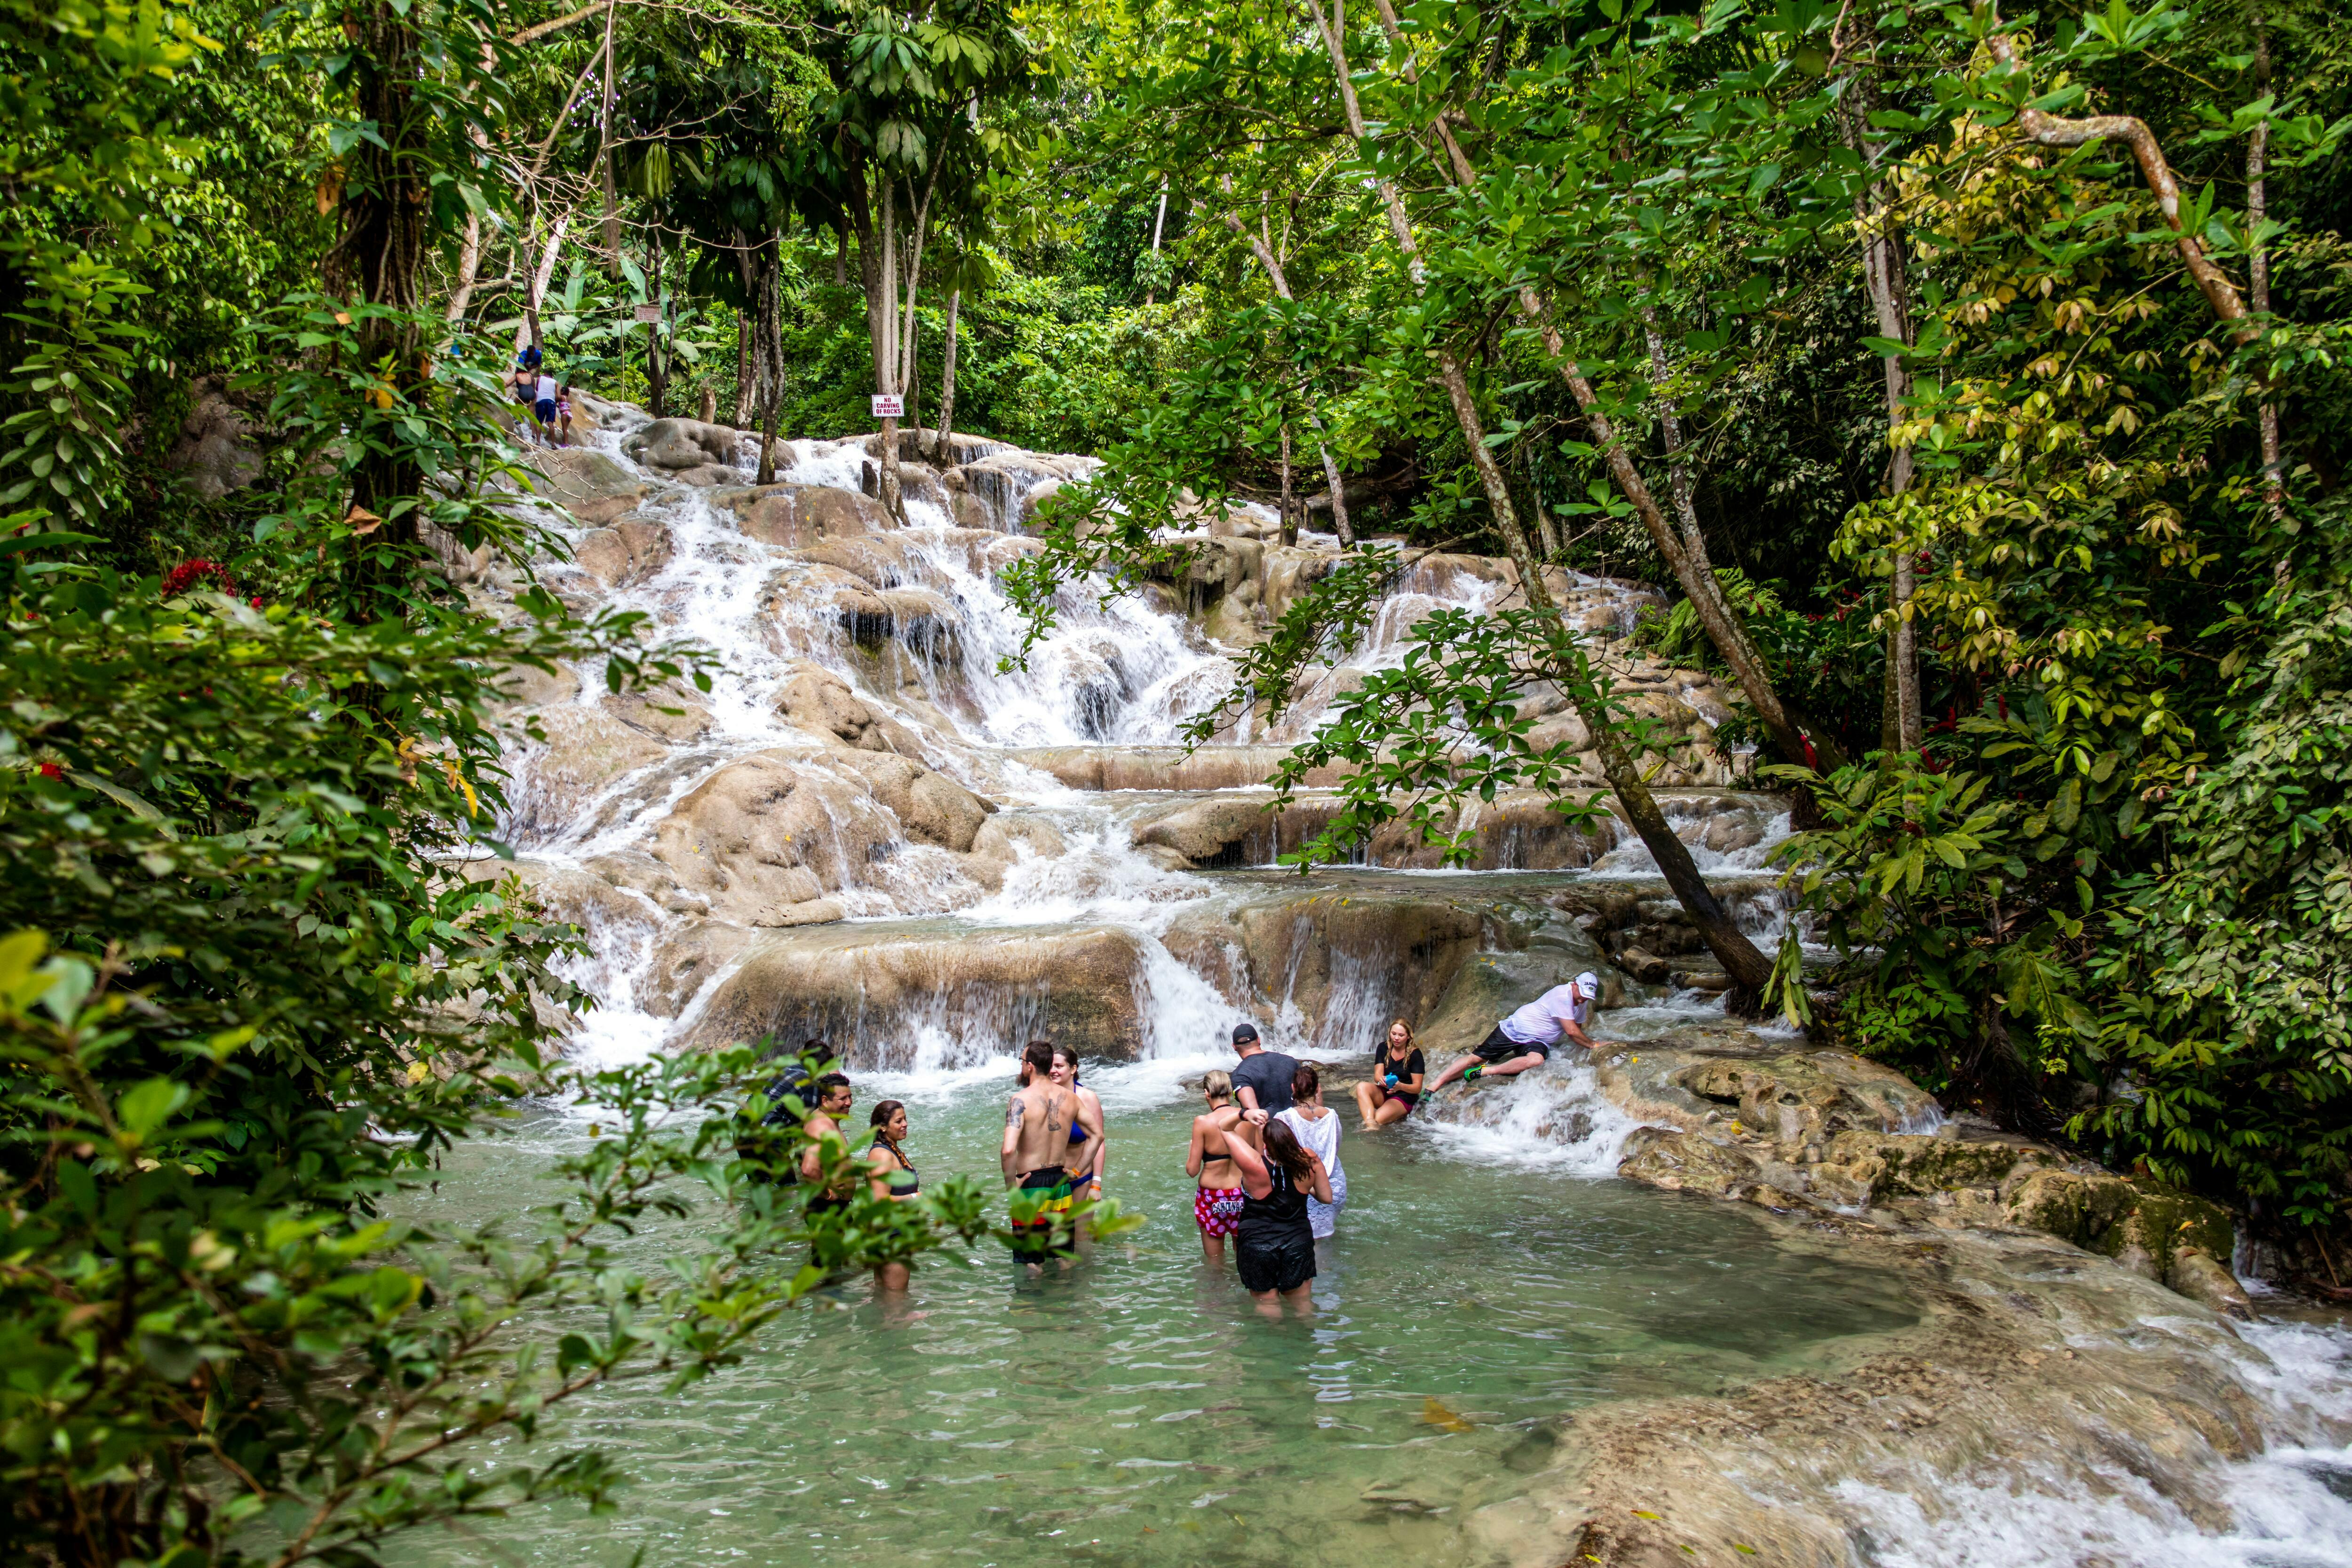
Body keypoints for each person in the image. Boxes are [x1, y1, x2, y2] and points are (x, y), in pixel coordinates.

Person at [1428, 972, 1606, 1092]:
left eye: (1588, 996)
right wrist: (1594, 1045)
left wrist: (1586, 1042)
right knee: (1476, 1058)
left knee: (1536, 1060)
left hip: (1537, 1040)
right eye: (1582, 993)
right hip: (1517, 1028)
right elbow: (1572, 1032)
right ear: (1574, 985)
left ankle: (1486, 1072)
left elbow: (1577, 1030)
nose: (1583, 999)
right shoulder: (1562, 995)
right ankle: (1436, 1084)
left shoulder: (1582, 1001)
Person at [1224, 1118, 1332, 1315]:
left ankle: (1276, 1340)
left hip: (1258, 1244)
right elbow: (1326, 1198)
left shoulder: (1253, 1164)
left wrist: (1244, 1113)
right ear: (1291, 1139)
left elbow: (1224, 1127)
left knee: (1268, 1305)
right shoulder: (1310, 1161)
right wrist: (1307, 1188)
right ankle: (1306, 1341)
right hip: (1297, 1242)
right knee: (1303, 1306)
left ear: (1266, 1145)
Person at [999, 1039, 1075, 1267]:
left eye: (1022, 1061)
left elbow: (1009, 1149)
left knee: (1032, 1262)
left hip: (1032, 1185)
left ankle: (1033, 1303)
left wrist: (1011, 1186)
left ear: (1030, 1066)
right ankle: (1067, 1299)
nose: (1021, 1065)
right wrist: (1078, 1170)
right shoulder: (1071, 1097)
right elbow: (1097, 1136)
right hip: (1061, 1183)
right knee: (1063, 1255)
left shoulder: (1020, 1100)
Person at [1277, 1063, 1346, 1241]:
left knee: (1305, 1243)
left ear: (1293, 1088)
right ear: (1318, 1088)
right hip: (1333, 1187)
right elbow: (1336, 1147)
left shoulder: (1283, 1118)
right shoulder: (1332, 1115)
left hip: (1302, 1188)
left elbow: (1279, 1157)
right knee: (1325, 1240)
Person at [1186, 1069, 1248, 1265]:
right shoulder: (1247, 1119)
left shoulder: (1202, 1122)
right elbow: (1261, 1161)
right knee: (1245, 1258)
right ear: (1231, 1093)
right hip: (1243, 1194)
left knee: (1215, 1263)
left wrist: (1192, 1150)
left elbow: (1192, 1170)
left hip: (1212, 1197)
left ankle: (1218, 1295)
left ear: (1207, 1093)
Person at [867, 1099, 920, 1291]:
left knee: (884, 1294)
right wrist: (917, 1198)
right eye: (898, 1121)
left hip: (894, 1232)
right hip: (891, 1235)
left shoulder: (892, 1150)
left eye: (905, 1119)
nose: (905, 1124)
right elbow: (880, 1200)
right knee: (896, 1300)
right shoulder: (882, 1155)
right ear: (882, 1127)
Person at [1051, 1046, 1106, 1204]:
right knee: (1054, 1228)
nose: (1053, 1071)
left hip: (1081, 1177)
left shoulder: (1088, 1098)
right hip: (1051, 1179)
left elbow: (1099, 1141)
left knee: (1081, 1229)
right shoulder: (1045, 1097)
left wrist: (1096, 1184)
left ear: (1073, 1069)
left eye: (1059, 1066)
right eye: (1050, 1066)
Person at [799, 1073, 856, 1216]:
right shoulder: (821, 1127)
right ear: (825, 1100)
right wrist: (829, 1195)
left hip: (832, 1207)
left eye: (850, 1096)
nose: (849, 1102)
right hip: (826, 1207)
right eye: (842, 1099)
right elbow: (808, 1169)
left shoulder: (826, 1119)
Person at [1353, 1019, 1425, 1130]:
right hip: (1385, 1091)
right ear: (1389, 1032)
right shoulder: (1383, 1047)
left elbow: (1417, 1088)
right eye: (1394, 1034)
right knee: (1361, 1087)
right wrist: (1381, 1080)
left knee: (1377, 1119)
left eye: (1401, 1035)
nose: (1396, 1038)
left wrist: (1400, 1086)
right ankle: (1370, 1125)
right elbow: (1377, 1075)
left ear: (1408, 1037)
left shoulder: (1415, 1055)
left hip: (1404, 1096)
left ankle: (1372, 1127)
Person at [1227, 1021, 1300, 1127]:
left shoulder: (1240, 1075)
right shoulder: (1290, 1061)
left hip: (1274, 1135)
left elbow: (1256, 1117)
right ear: (1259, 1040)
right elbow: (1311, 1099)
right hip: (1300, 1128)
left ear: (1234, 1047)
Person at [532, 369, 560, 447]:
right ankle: (553, 444)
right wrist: (555, 402)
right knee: (550, 423)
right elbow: (559, 396)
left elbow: (537, 389)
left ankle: (538, 442)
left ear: (545, 374)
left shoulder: (540, 378)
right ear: (552, 376)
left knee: (539, 422)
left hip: (541, 401)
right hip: (551, 402)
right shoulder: (556, 383)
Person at [555, 382, 575, 447]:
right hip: (569, 414)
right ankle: (566, 443)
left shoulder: (562, 397)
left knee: (564, 429)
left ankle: (566, 444)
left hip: (565, 414)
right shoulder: (568, 399)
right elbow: (563, 406)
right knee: (566, 429)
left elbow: (556, 400)